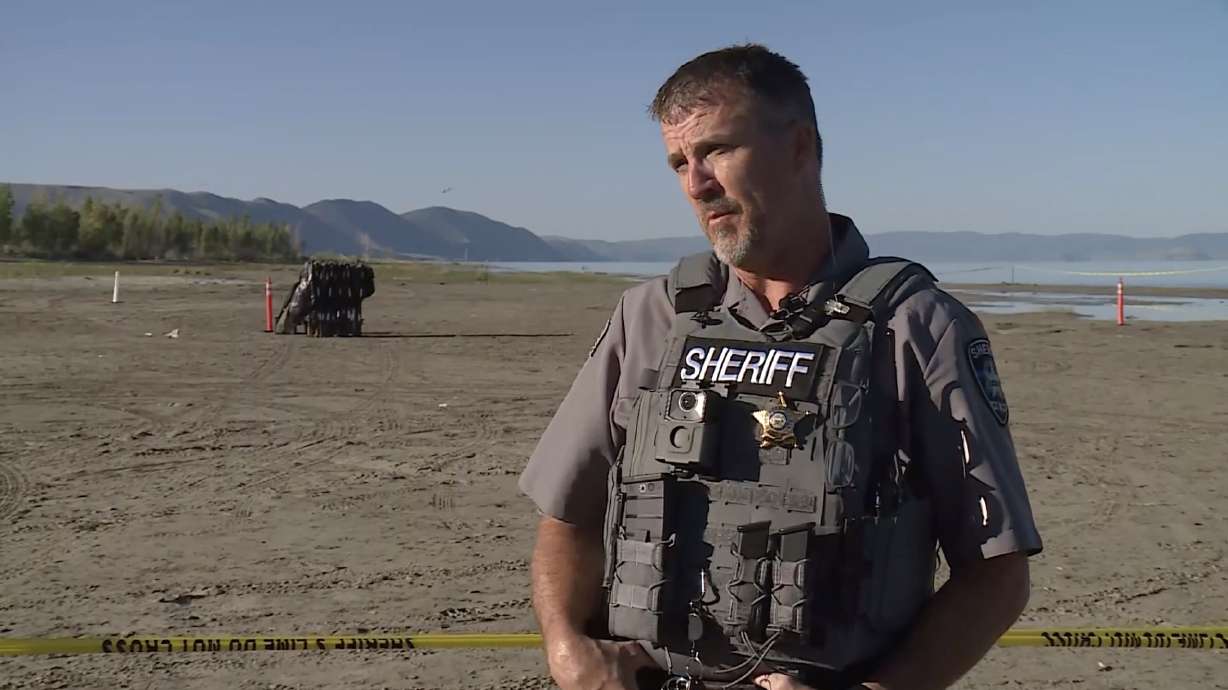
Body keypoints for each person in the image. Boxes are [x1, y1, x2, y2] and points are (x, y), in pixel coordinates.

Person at [518, 44, 1043, 690]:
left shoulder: (915, 329)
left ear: (800, 147)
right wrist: (568, 648)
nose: (695, 183)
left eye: (715, 150)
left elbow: (997, 571)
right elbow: (568, 514)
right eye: (679, 162)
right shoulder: (649, 318)